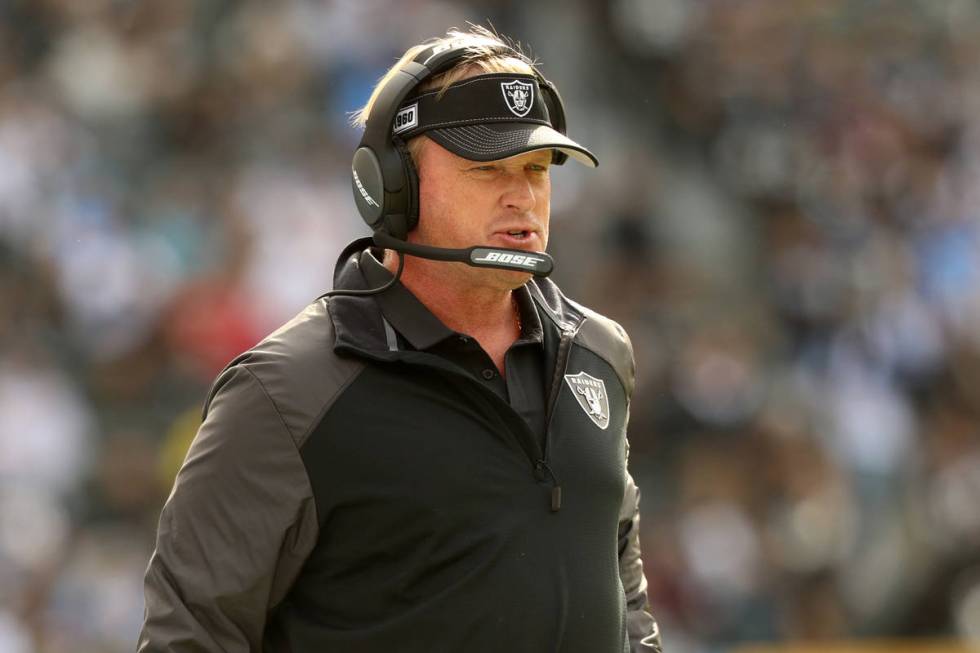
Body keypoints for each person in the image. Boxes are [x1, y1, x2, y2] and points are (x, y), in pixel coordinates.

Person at [139, 26, 663, 653]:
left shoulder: (599, 353)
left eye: (535, 168)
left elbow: (622, 588)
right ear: (393, 186)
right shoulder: (285, 394)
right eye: (486, 169)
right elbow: (190, 635)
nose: (522, 196)